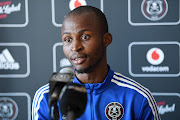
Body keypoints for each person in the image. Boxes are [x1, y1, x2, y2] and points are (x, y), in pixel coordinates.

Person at [32, 6, 160, 120]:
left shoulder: (138, 97)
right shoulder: (47, 97)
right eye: (68, 39)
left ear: (106, 40)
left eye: (85, 37)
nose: (75, 47)